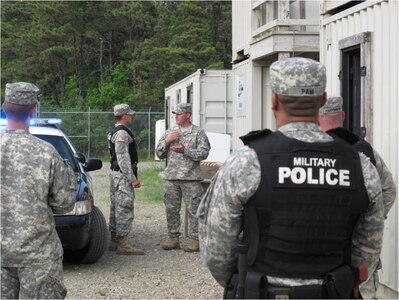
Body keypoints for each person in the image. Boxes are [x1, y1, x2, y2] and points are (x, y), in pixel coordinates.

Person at [198, 58, 384, 299]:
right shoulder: (360, 166)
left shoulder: (247, 162)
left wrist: (242, 284)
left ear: (274, 99)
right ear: (323, 100)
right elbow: (368, 250)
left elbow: (217, 250)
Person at [1, 82, 76, 299]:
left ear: (5, 107)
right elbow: (64, 204)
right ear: (33, 110)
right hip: (37, 255)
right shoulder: (45, 152)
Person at [319, 95, 397, 297]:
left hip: (320, 257)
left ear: (316, 118)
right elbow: (388, 189)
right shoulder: (365, 151)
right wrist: (371, 221)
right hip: (361, 266)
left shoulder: (308, 153)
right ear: (343, 116)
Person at [156, 103, 210, 252]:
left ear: (188, 115)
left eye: (179, 114)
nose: (176, 117)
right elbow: (159, 153)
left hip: (190, 178)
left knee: (194, 210)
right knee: (171, 209)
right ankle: (173, 238)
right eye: (175, 114)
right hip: (172, 177)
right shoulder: (170, 132)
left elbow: (204, 153)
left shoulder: (198, 133)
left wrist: (186, 151)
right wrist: (167, 141)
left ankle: (195, 240)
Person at [108, 103, 144, 255]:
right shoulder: (122, 134)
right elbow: (123, 158)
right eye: (129, 114)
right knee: (124, 207)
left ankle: (115, 239)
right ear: (123, 116)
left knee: (116, 207)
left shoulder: (114, 131)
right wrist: (132, 178)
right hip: (122, 176)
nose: (131, 116)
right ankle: (123, 243)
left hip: (116, 174)